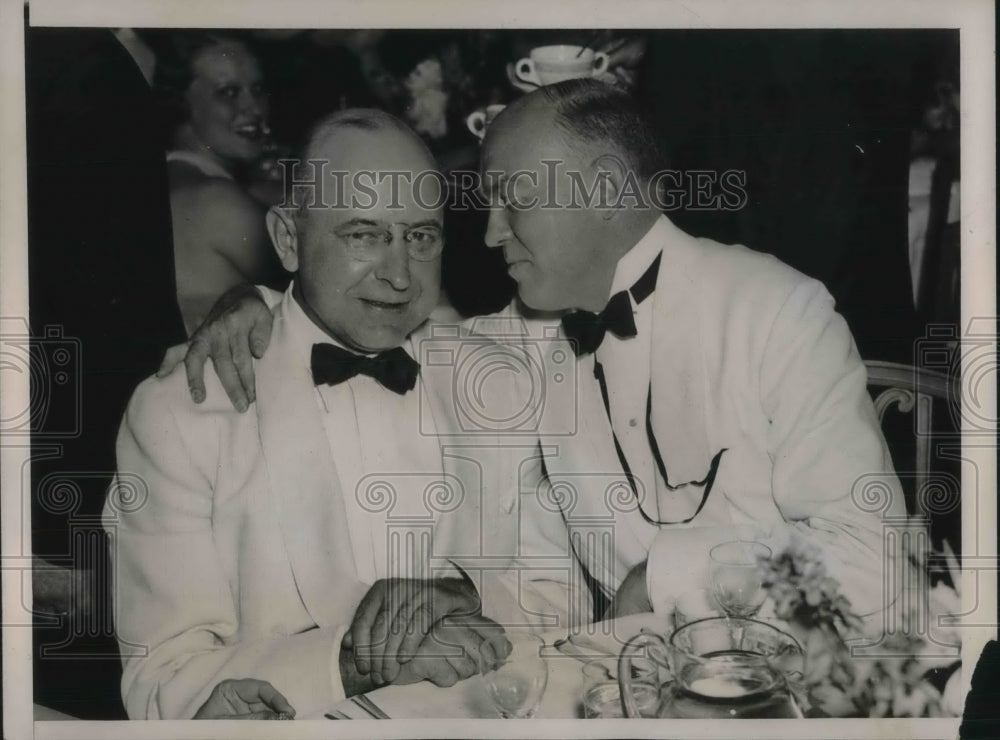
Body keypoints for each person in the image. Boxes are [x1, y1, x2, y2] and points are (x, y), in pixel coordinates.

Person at [170, 80, 908, 628]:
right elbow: (382, 324)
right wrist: (261, 304)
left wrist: (666, 577)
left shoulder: (776, 312)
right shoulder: (526, 339)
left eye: (512, 200)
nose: (490, 235)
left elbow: (879, 572)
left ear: (608, 190)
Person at [108, 109, 580, 719]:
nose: (399, 275)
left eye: (420, 236)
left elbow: (570, 589)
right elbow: (161, 680)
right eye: (362, 235)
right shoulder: (183, 412)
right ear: (286, 240)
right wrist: (355, 662)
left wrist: (464, 595)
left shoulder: (493, 377)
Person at [26, 27, 188, 719]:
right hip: (78, 504)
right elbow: (83, 321)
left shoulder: (86, 62)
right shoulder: (82, 68)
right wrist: (68, 547)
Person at [154, 32, 285, 335]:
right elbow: (327, 296)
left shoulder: (171, 180)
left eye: (258, 89)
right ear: (181, 104)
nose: (253, 108)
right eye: (228, 92)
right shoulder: (215, 200)